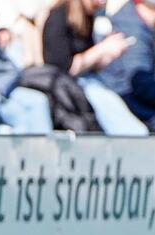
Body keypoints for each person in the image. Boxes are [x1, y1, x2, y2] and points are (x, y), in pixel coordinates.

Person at [42, 0, 148, 135]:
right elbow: (63, 68)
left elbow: (90, 65)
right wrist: (102, 48)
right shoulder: (59, 16)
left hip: (89, 82)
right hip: (67, 88)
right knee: (131, 130)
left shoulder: (87, 16)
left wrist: (108, 55)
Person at [99, 0, 155, 132]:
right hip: (137, 112)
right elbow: (141, 81)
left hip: (144, 107)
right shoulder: (134, 29)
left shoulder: (138, 23)